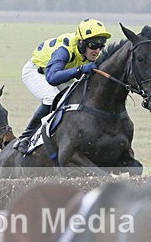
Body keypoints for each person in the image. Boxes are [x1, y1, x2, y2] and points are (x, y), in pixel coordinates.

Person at [15, 19, 112, 153]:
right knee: (51, 97)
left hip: (60, 72)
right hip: (37, 72)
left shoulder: (87, 51)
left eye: (101, 46)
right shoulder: (64, 50)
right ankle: (25, 137)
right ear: (81, 43)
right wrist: (80, 70)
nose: (97, 50)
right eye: (93, 45)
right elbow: (52, 78)